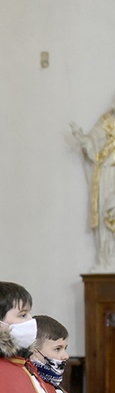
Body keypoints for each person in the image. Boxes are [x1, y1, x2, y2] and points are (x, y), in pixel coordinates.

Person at [71, 108, 115, 272]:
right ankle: (107, 258)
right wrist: (83, 139)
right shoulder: (106, 121)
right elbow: (93, 142)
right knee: (107, 214)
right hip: (108, 173)